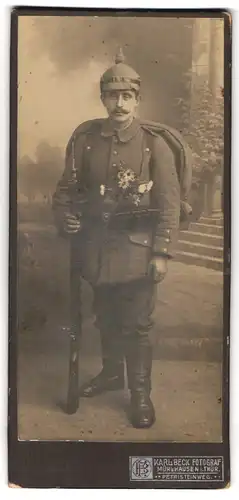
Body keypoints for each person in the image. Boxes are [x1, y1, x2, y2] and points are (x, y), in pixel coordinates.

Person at [52, 49, 180, 429]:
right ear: (103, 99)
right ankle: (111, 375)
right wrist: (66, 218)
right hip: (97, 251)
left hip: (139, 251)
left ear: (138, 100)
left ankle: (140, 394)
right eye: (113, 96)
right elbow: (65, 190)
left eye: (127, 96)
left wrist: (161, 253)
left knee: (138, 323)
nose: (119, 103)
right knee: (105, 318)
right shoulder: (86, 140)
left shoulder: (153, 143)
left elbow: (169, 203)